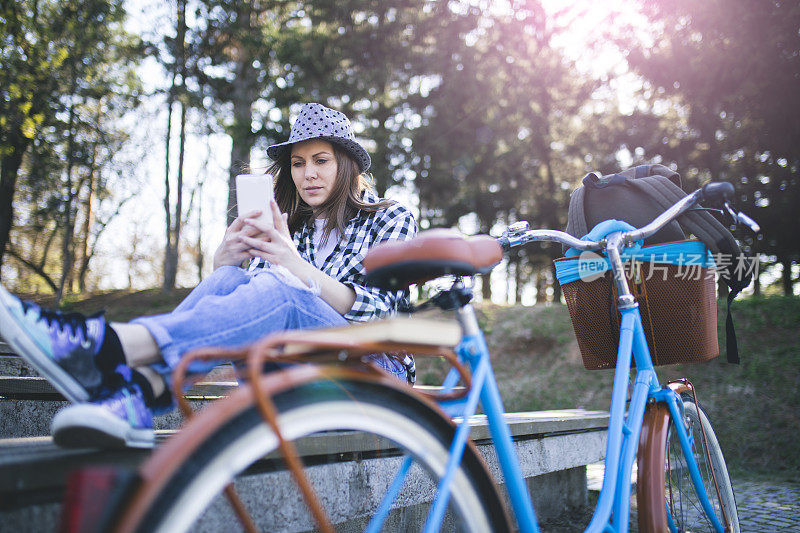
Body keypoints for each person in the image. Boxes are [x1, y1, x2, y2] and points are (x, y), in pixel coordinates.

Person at [0, 103, 417, 449]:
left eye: (321, 160)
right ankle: (137, 397)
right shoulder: (297, 228)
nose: (307, 174)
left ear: (346, 164)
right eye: (297, 163)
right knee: (230, 282)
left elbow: (383, 319)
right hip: (298, 379)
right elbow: (247, 307)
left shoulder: (390, 217)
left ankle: (107, 347)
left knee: (283, 291)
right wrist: (226, 264)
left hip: (373, 383)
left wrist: (294, 267)